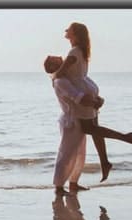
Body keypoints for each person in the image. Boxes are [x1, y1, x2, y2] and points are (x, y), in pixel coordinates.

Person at [51, 22, 132, 182]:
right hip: (88, 88)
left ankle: (125, 137)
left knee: (90, 128)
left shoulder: (74, 51)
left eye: (69, 29)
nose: (66, 30)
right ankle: (105, 161)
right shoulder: (83, 50)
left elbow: (60, 73)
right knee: (95, 129)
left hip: (83, 91)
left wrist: (52, 76)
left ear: (75, 34)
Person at [45, 55, 102, 195]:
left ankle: (73, 183)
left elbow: (84, 93)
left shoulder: (69, 79)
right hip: (71, 122)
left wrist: (96, 100)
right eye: (56, 59)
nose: (61, 58)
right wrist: (95, 103)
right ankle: (58, 187)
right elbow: (79, 98)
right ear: (53, 67)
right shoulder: (60, 81)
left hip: (79, 119)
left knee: (80, 154)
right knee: (66, 154)